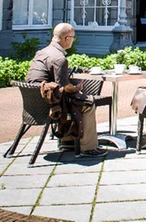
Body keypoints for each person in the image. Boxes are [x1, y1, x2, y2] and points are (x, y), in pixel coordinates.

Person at [26, 23, 108, 157]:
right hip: (49, 106)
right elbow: (64, 86)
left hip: (34, 103)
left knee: (70, 100)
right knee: (87, 103)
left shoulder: (41, 52)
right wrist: (77, 88)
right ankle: (88, 148)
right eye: (73, 37)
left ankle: (67, 140)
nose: (73, 40)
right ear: (66, 39)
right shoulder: (60, 58)